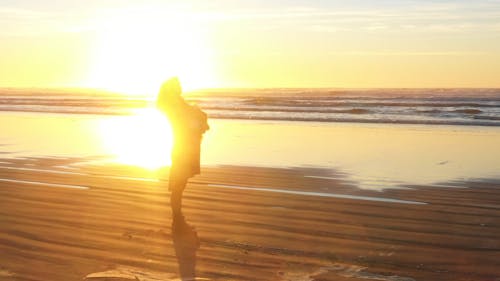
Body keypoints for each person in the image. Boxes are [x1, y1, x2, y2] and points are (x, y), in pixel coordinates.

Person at [157, 77, 209, 217]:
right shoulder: (173, 104)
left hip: (185, 144)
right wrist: (197, 113)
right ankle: (176, 212)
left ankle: (177, 210)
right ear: (172, 88)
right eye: (178, 84)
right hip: (183, 145)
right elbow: (184, 117)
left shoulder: (177, 102)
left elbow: (189, 115)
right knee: (180, 180)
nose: (181, 86)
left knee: (181, 179)